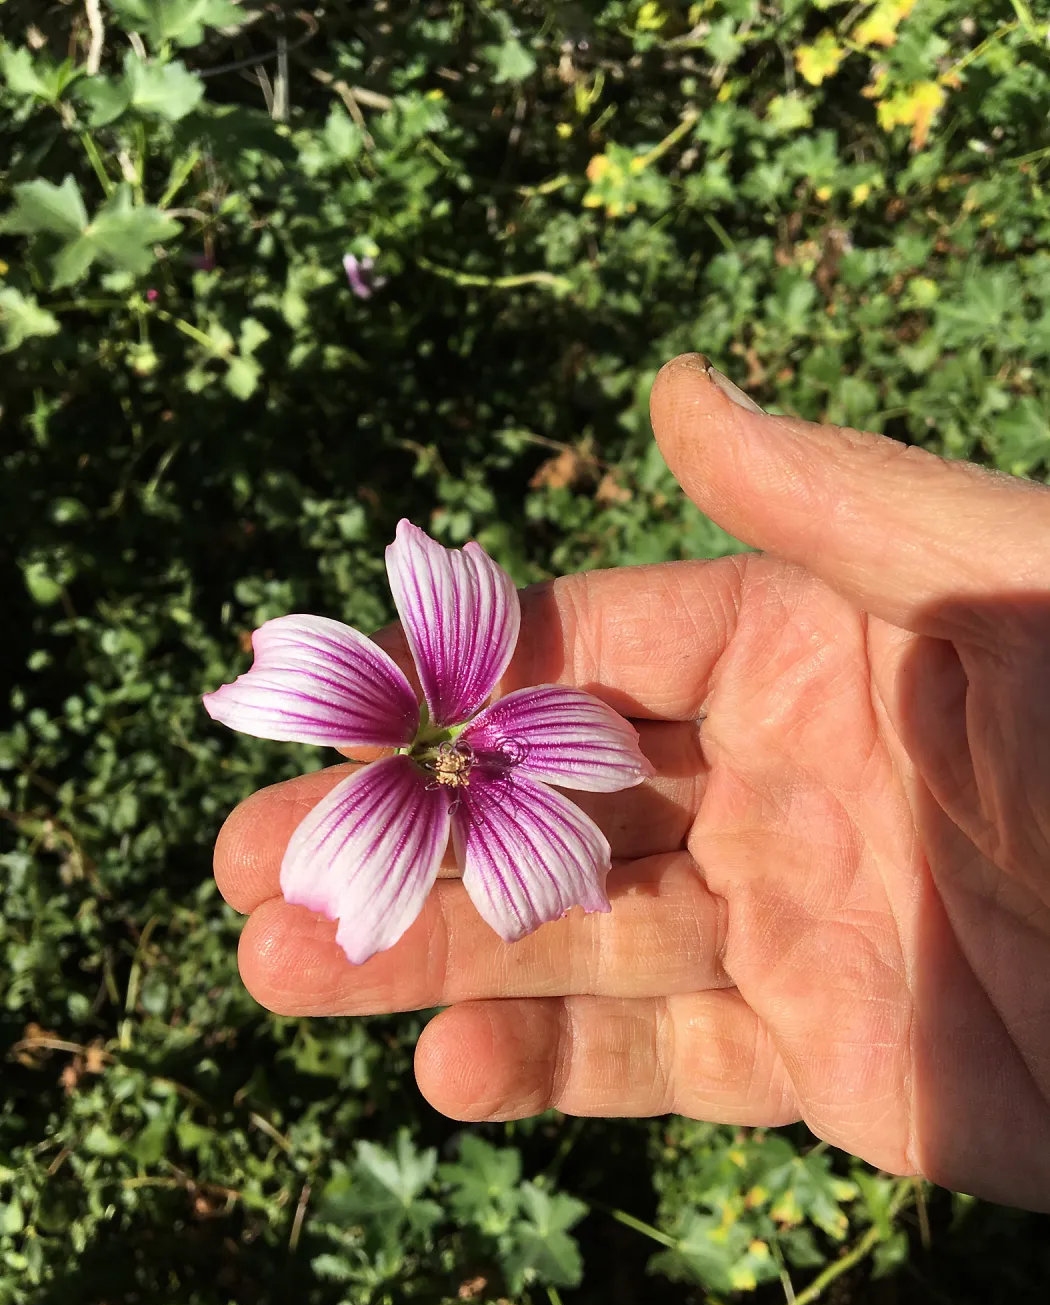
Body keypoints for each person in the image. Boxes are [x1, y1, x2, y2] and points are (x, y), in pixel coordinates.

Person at [213, 353, 1050, 1212]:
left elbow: (556, 767)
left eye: (441, 753)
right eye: (437, 755)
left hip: (480, 725)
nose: (445, 757)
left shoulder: (473, 729)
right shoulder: (429, 740)